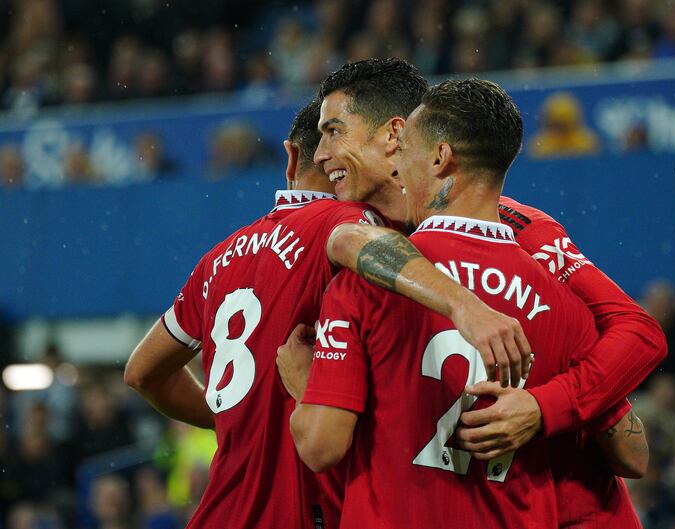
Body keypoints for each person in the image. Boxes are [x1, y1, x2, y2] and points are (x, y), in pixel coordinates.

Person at [124, 97, 530, 529]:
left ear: (289, 157)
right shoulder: (348, 217)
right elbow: (352, 241)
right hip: (304, 510)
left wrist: (237, 418)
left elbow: (141, 373)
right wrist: (464, 303)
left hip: (218, 514)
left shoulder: (219, 258)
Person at [300, 57, 665, 528]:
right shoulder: (553, 296)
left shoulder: (525, 231)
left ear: (408, 143)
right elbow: (633, 453)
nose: (321, 155)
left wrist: (541, 405)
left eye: (334, 132)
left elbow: (639, 333)